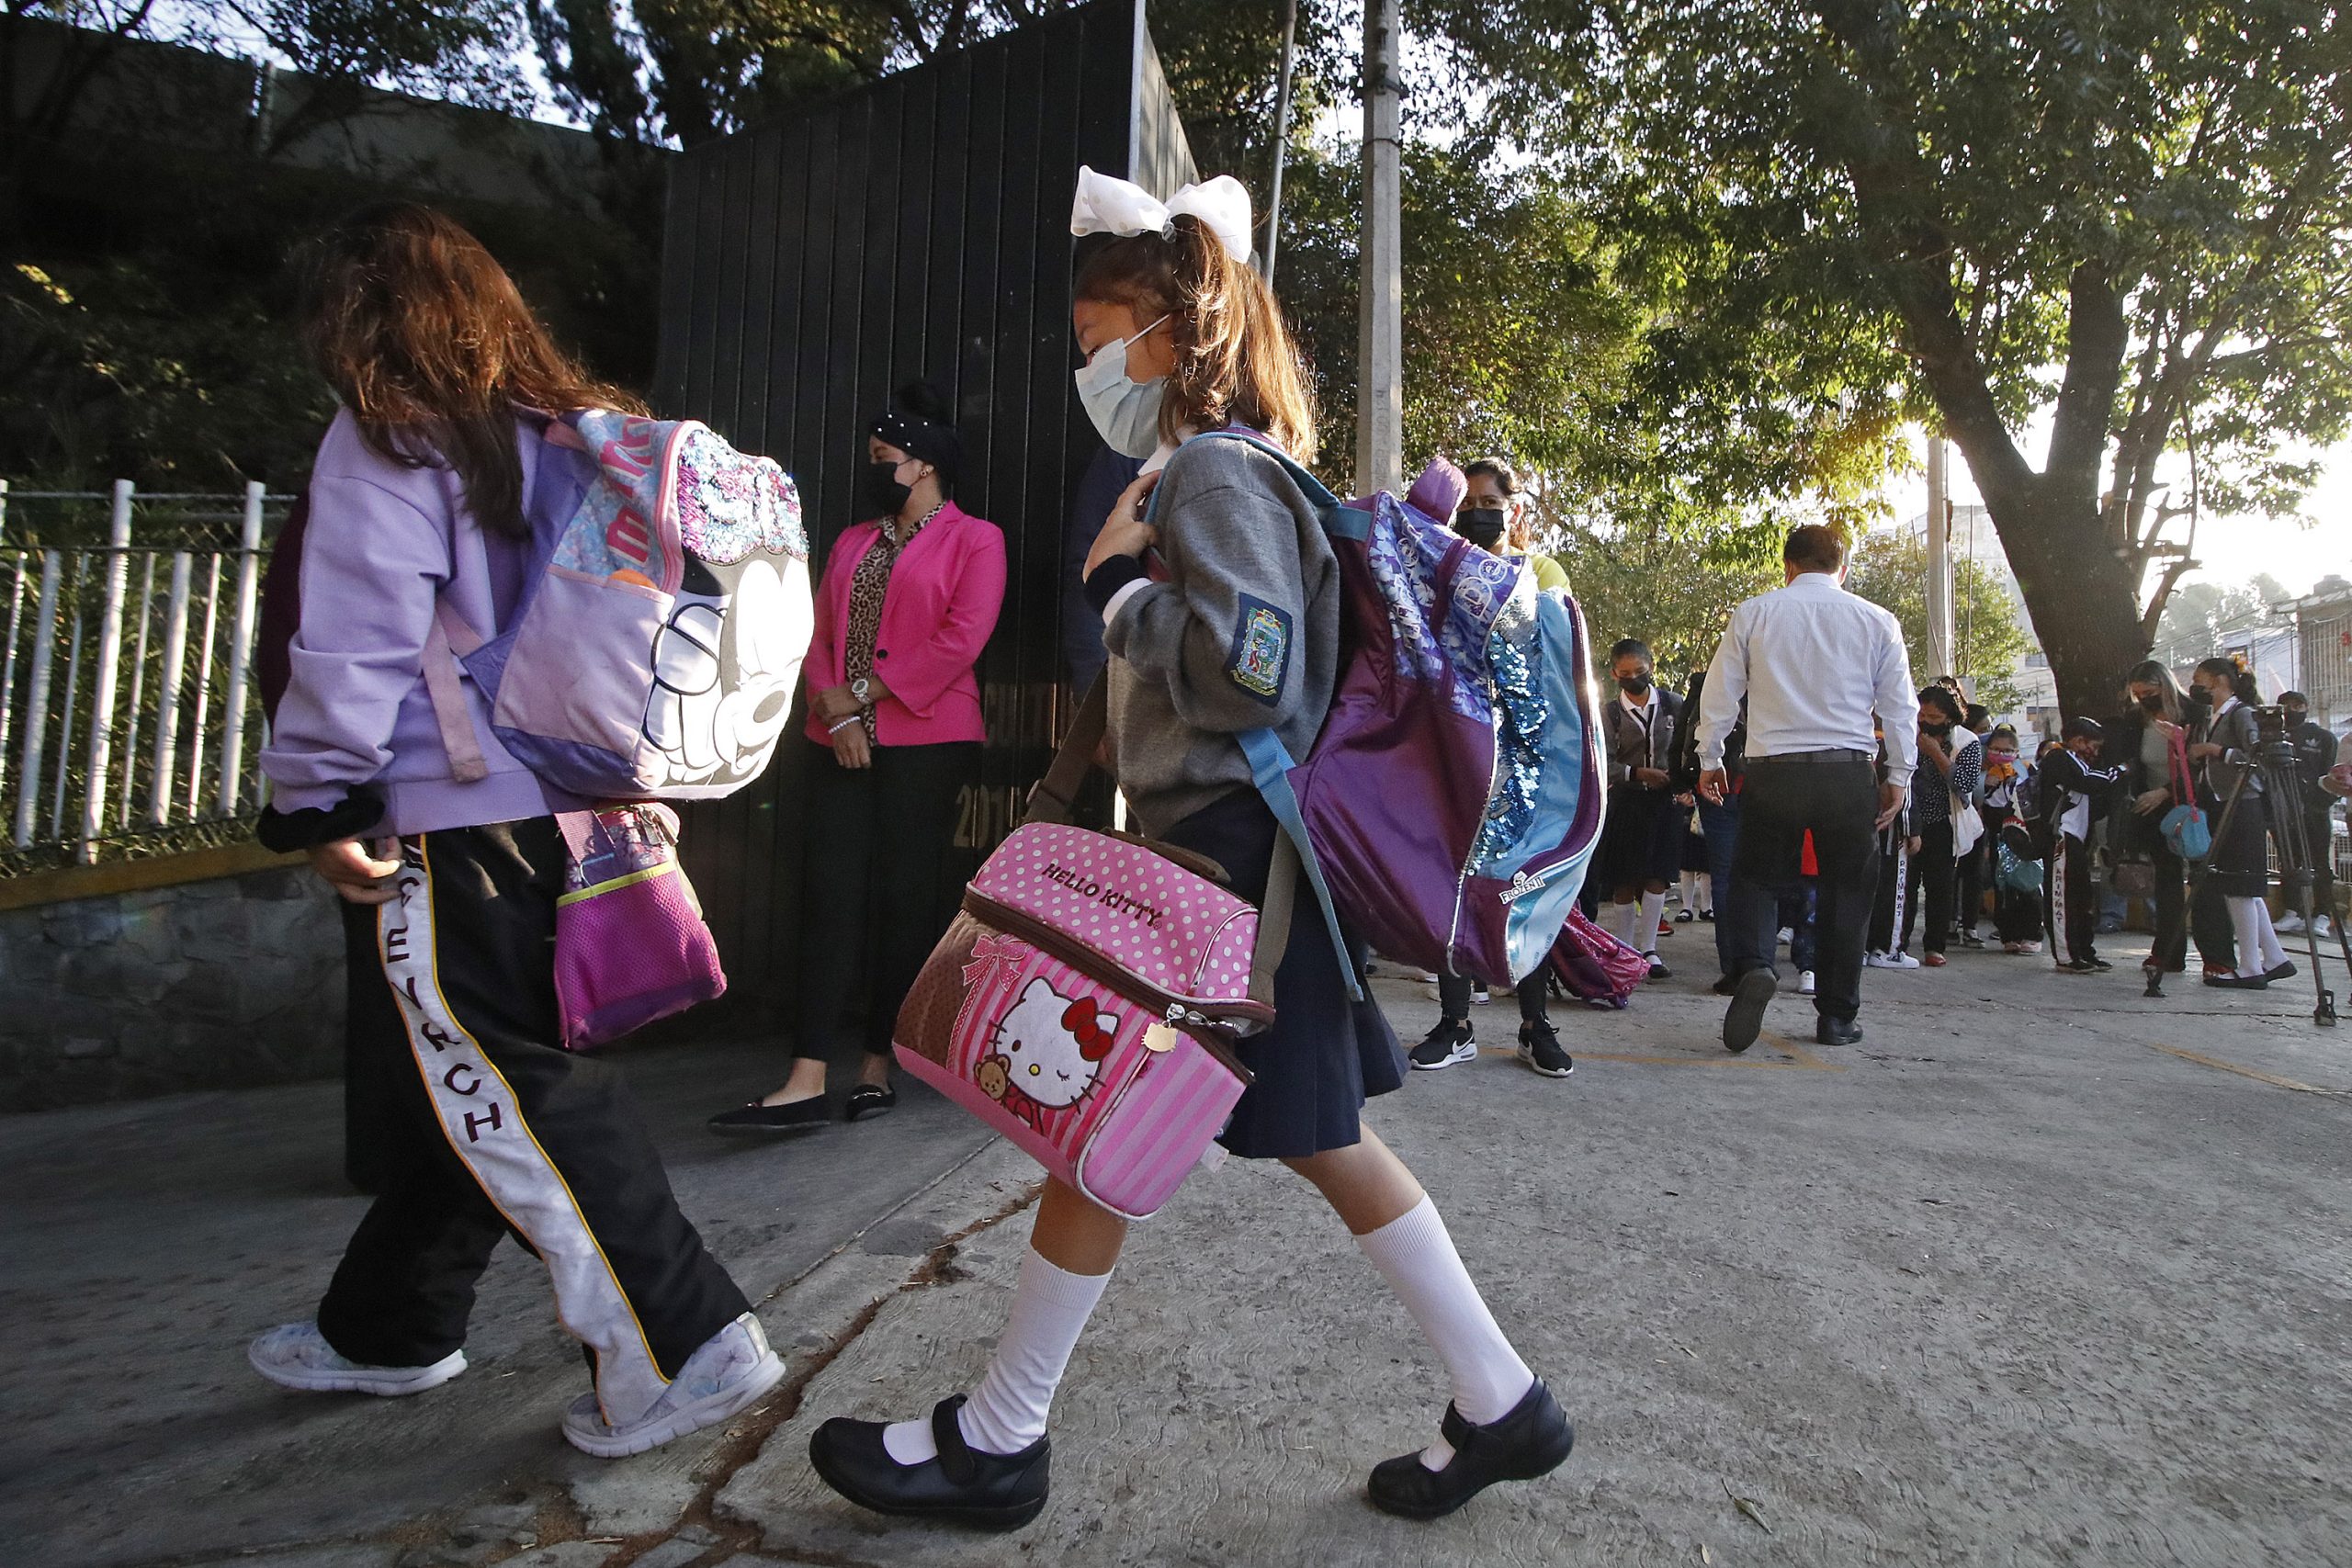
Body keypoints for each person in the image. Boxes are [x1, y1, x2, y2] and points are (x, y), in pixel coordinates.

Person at [805, 170, 1573, 1530]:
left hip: (1234, 865)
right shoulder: (1217, 468)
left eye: (1099, 332)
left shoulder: (1214, 468)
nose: (1087, 360)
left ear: (1171, 329)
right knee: (1267, 1136)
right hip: (1250, 859)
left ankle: (1000, 1437)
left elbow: (1253, 670)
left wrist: (1119, 594)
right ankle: (1501, 1397)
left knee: (1101, 1122)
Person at [249, 203, 781, 1456]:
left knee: (518, 1078)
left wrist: (321, 797)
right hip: (594, 803)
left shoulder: (392, 432)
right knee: (488, 1071)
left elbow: (357, 631)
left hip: (463, 814)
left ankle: (685, 1342)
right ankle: (388, 1323)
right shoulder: (573, 432)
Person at [710, 382, 1007, 1135]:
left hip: (929, 741)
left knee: (905, 902)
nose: (875, 467)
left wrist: (863, 696)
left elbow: (959, 642)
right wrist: (827, 705)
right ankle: (805, 1075)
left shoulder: (977, 540)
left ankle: (879, 1063)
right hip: (835, 739)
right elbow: (813, 636)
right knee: (828, 896)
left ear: (926, 464)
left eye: (887, 456)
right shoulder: (851, 541)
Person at [1698, 524, 1917, 1052]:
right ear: (1842, 568)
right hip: (1847, 771)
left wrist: (1709, 757)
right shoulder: (1877, 620)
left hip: (1774, 769)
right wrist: (1898, 777)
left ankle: (1754, 967)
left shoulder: (1755, 612)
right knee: (1848, 893)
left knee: (1755, 879)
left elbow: (1720, 692)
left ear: (1787, 566)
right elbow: (1900, 707)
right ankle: (1838, 1017)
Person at [1413, 500, 1576, 1078]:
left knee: (1522, 888)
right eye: (1469, 506)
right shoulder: (1438, 570)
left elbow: (1552, 642)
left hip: (1523, 757)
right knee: (1452, 886)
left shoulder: (1542, 571)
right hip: (1458, 749)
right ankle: (1455, 1025)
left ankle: (1535, 1026)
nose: (1480, 513)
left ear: (1514, 512)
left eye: (1491, 504)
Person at [2188, 656, 2294, 987]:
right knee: (2240, 887)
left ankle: (2250, 966)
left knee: (2240, 887)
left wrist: (2216, 751)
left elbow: (2258, 758)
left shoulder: (2242, 713)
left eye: (2200, 680)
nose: (2196, 687)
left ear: (2219, 680)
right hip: (2225, 803)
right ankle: (2273, 957)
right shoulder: (2214, 716)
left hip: (2243, 804)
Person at [1598, 638, 1686, 979]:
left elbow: (1686, 749)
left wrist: (1681, 782)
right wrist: (1635, 772)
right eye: (1625, 673)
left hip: (1664, 801)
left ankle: (1649, 949)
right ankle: (1623, 947)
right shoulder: (1609, 713)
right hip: (1626, 800)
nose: (1634, 678)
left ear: (1651, 666)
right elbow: (1601, 760)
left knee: (1658, 874)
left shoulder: (1673, 705)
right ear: (1614, 674)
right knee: (1624, 875)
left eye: (1640, 671)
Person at [2105, 661, 2191, 981]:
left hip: (2188, 803)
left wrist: (2167, 792)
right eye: (2138, 694)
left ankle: (2217, 955)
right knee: (2166, 881)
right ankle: (2168, 950)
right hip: (2150, 806)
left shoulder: (2193, 713)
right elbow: (2131, 762)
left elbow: (2196, 766)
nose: (2144, 699)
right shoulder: (2136, 719)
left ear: (2165, 686)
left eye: (2150, 693)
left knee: (2202, 880)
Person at [1669, 668, 1749, 990]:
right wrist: (1681, 784)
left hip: (1756, 792)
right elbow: (1682, 737)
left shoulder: (1772, 680)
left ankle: (1747, 963)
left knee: (1742, 877)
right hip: (1722, 793)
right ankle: (1737, 965)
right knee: (1730, 877)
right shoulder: (1706, 683)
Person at [1894, 686, 1980, 968]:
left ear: (1950, 716)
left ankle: (1935, 946)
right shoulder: (1907, 731)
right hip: (1909, 818)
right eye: (1923, 714)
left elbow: (1965, 785)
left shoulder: (1966, 742)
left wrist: (1934, 753)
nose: (1928, 720)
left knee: (1940, 886)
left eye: (1935, 716)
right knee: (1904, 885)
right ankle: (1897, 943)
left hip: (1944, 821)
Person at [2036, 717, 2125, 973]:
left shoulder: (2077, 762)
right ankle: (2066, 955)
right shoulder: (2060, 758)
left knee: (2081, 898)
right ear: (2077, 741)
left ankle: (2085, 950)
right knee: (2062, 899)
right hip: (2060, 838)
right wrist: (2120, 770)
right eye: (2092, 747)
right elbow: (2089, 780)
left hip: (2076, 839)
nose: (2095, 754)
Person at [1456, 457, 1570, 593]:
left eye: (1489, 502)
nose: (1476, 512)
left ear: (1515, 512)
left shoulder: (1540, 571)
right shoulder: (1444, 566)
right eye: (1467, 503)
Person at [2277, 691, 2338, 938]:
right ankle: (2293, 911)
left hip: (2315, 812)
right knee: (2289, 862)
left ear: (2305, 707)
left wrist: (2319, 803)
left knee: (2320, 863)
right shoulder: (2275, 739)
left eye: (2295, 705)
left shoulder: (2323, 738)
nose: (2289, 711)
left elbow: (2332, 777)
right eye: (2284, 706)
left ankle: (2322, 914)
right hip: (2284, 811)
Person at [1980, 726, 2043, 953]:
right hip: (2000, 837)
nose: (2002, 754)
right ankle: (2009, 934)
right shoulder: (1985, 774)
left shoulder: (2027, 771)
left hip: (2026, 839)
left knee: (2029, 885)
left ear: (2017, 751)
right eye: (1996, 749)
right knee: (2003, 888)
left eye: (2008, 750)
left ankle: (2032, 934)